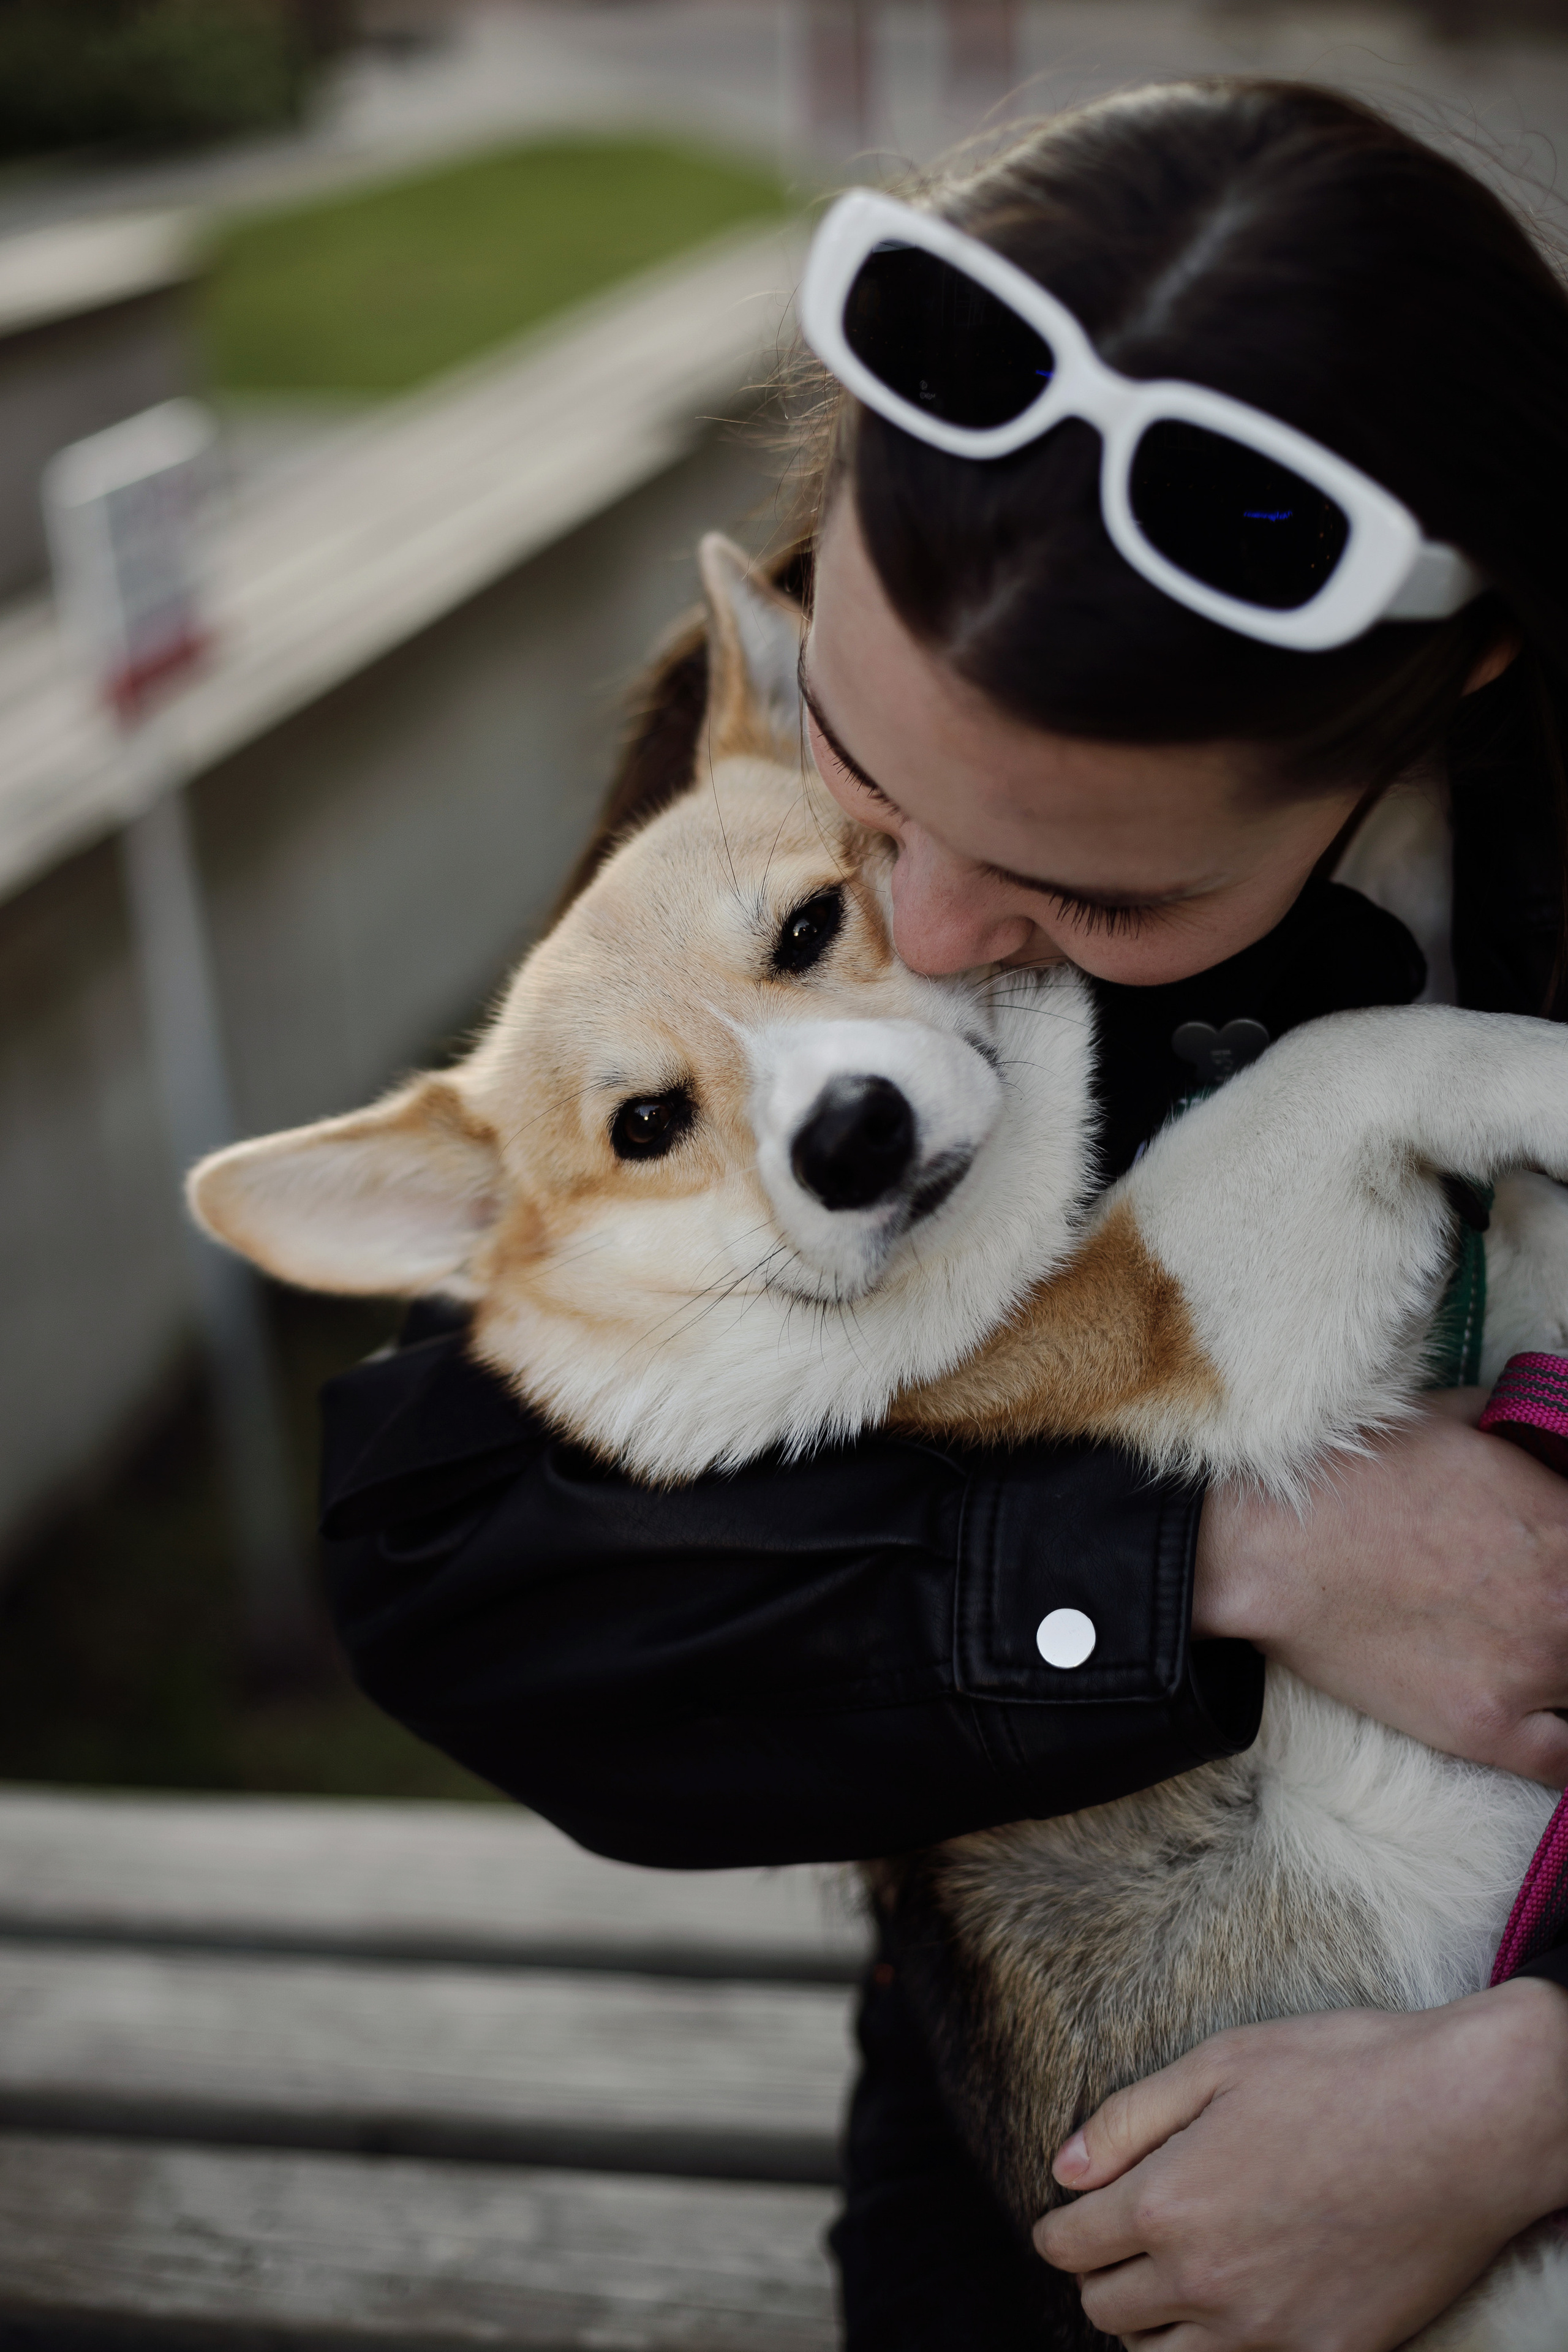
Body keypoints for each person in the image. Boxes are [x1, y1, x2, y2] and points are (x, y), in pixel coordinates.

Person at [322, 78, 1568, 2351]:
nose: (935, 928)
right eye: (862, 794)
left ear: (1462, 680)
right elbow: (466, 1558)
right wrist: (1213, 1553)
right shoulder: (763, 767)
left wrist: (1517, 2107)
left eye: (1102, 890)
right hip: (1049, 2186)